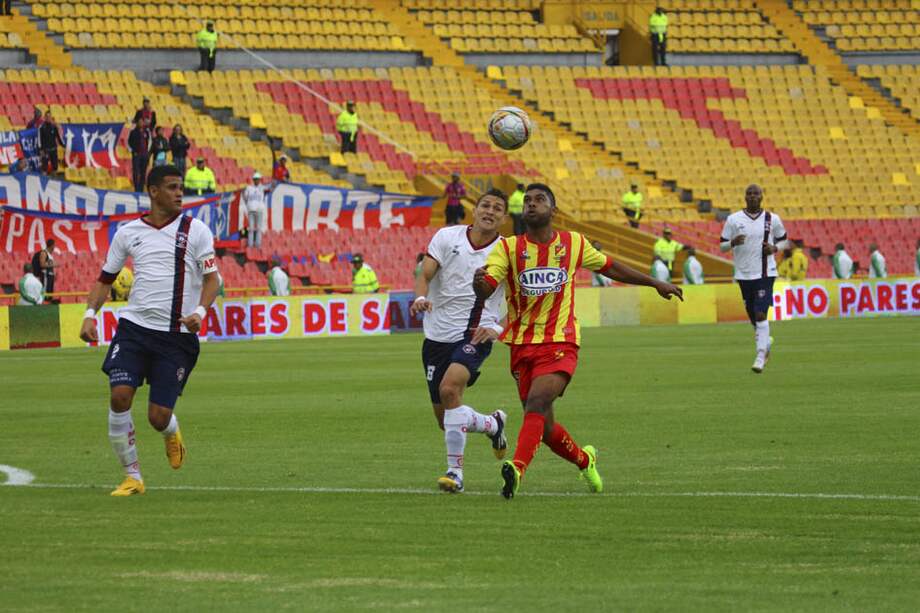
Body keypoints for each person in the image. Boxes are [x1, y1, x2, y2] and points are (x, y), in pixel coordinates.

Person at [473, 183, 683, 499]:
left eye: (539, 200)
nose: (531, 204)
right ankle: (586, 460)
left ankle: (516, 469)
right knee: (542, 427)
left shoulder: (574, 244)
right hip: (522, 345)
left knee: (537, 403)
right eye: (527, 200)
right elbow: (488, 285)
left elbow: (611, 267)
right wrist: (481, 284)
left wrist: (654, 282)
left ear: (553, 210)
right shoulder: (509, 248)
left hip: (561, 340)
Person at [78, 164, 220, 496]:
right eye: (172, 187)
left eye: (180, 187)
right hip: (134, 329)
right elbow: (104, 280)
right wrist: (89, 314)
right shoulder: (128, 233)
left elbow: (213, 279)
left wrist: (200, 310)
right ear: (153, 191)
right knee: (119, 396)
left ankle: (171, 433)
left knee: (158, 416)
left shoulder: (196, 231)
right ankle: (133, 477)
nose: (179, 193)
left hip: (176, 337)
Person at [410, 189, 510, 492]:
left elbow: (523, 302)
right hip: (435, 336)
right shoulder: (447, 237)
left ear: (504, 218)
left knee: (449, 388)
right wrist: (420, 297)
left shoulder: (508, 252)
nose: (490, 211)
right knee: (447, 418)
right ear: (475, 209)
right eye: (485, 205)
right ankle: (493, 425)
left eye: (497, 208)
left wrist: (498, 329)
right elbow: (425, 274)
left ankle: (455, 473)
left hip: (476, 333)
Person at [719, 184, 787, 374]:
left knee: (760, 314)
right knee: (754, 319)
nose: (752, 196)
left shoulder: (772, 219)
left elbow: (785, 241)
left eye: (756, 193)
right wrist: (732, 242)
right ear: (745, 197)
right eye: (749, 193)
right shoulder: (733, 219)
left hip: (765, 273)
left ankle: (760, 355)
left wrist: (774, 248)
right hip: (743, 274)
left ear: (762, 196)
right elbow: (722, 245)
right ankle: (766, 340)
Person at [242, 172, 269, 248]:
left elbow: (271, 188)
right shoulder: (249, 188)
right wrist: (248, 204)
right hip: (251, 210)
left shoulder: (263, 188)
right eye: (256, 179)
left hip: (259, 210)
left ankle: (258, 245)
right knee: (251, 228)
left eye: (258, 179)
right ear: (253, 180)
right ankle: (250, 245)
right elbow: (245, 197)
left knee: (259, 228)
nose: (257, 181)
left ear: (260, 180)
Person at [127, 118, 151, 193]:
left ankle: (141, 188)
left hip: (145, 154)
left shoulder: (146, 132)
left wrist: (147, 152)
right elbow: (129, 142)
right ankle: (136, 188)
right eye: (139, 122)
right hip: (137, 154)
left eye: (142, 122)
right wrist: (133, 151)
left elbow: (149, 142)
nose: (141, 123)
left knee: (143, 171)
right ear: (137, 123)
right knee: (136, 171)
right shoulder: (133, 132)